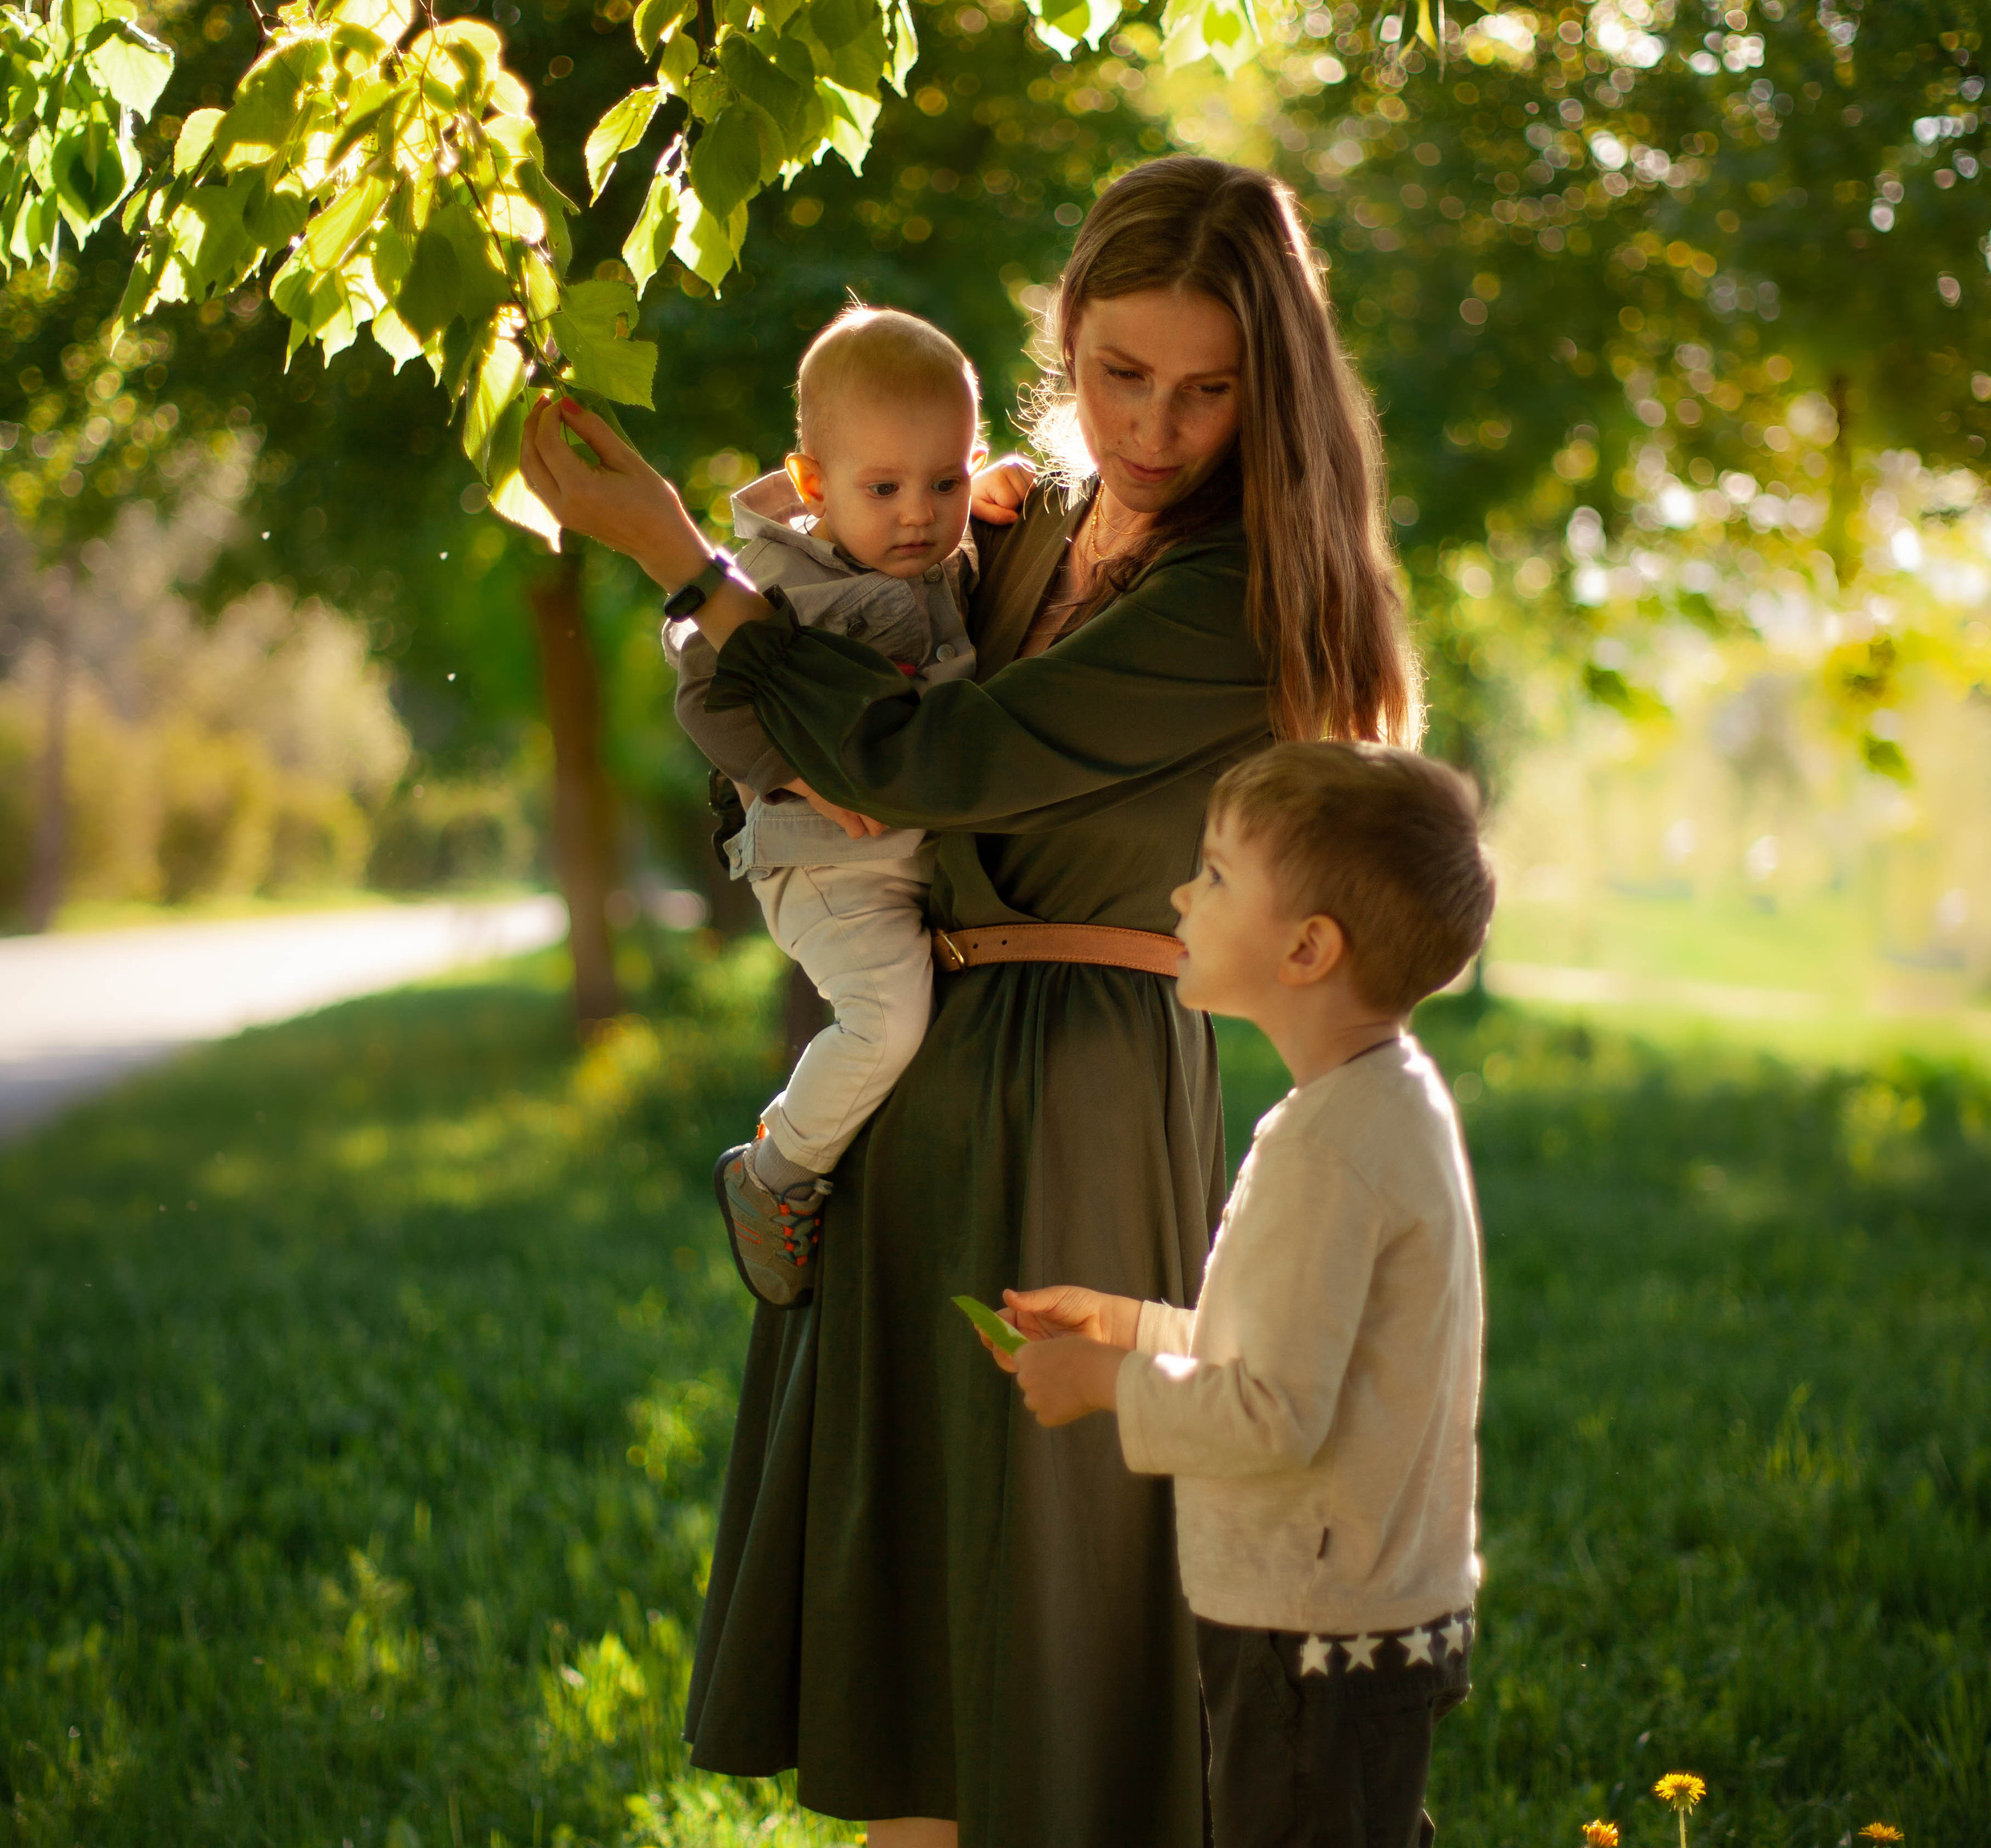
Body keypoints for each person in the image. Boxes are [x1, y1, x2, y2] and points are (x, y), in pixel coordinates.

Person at [515, 155, 1417, 1848]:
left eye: (1206, 387)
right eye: (1116, 373)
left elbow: (939, 759)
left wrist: (683, 566)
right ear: (1060, 343)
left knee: (1050, 1601)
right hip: (921, 1062)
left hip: (1074, 1089)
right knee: (915, 1624)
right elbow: (835, 695)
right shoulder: (1024, 524)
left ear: (1268, 385)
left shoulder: (1225, 591)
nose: (1152, 425)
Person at [986, 741, 1495, 1848]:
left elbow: (1274, 1411)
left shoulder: (1330, 1149)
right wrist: (1131, 1324)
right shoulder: (1382, 1104)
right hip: (1367, 1614)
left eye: (1214, 875)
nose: (1180, 890)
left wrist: (1110, 1380)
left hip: (1310, 1634)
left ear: (1308, 948)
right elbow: (1301, 1353)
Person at [668, 305, 986, 1309]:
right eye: (883, 488)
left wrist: (1001, 490)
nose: (918, 514)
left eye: (948, 482)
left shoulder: (932, 560)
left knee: (935, 1023)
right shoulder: (777, 582)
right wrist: (791, 772)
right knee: (886, 1021)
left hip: (904, 855)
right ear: (812, 485)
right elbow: (699, 691)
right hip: (820, 858)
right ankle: (774, 1173)